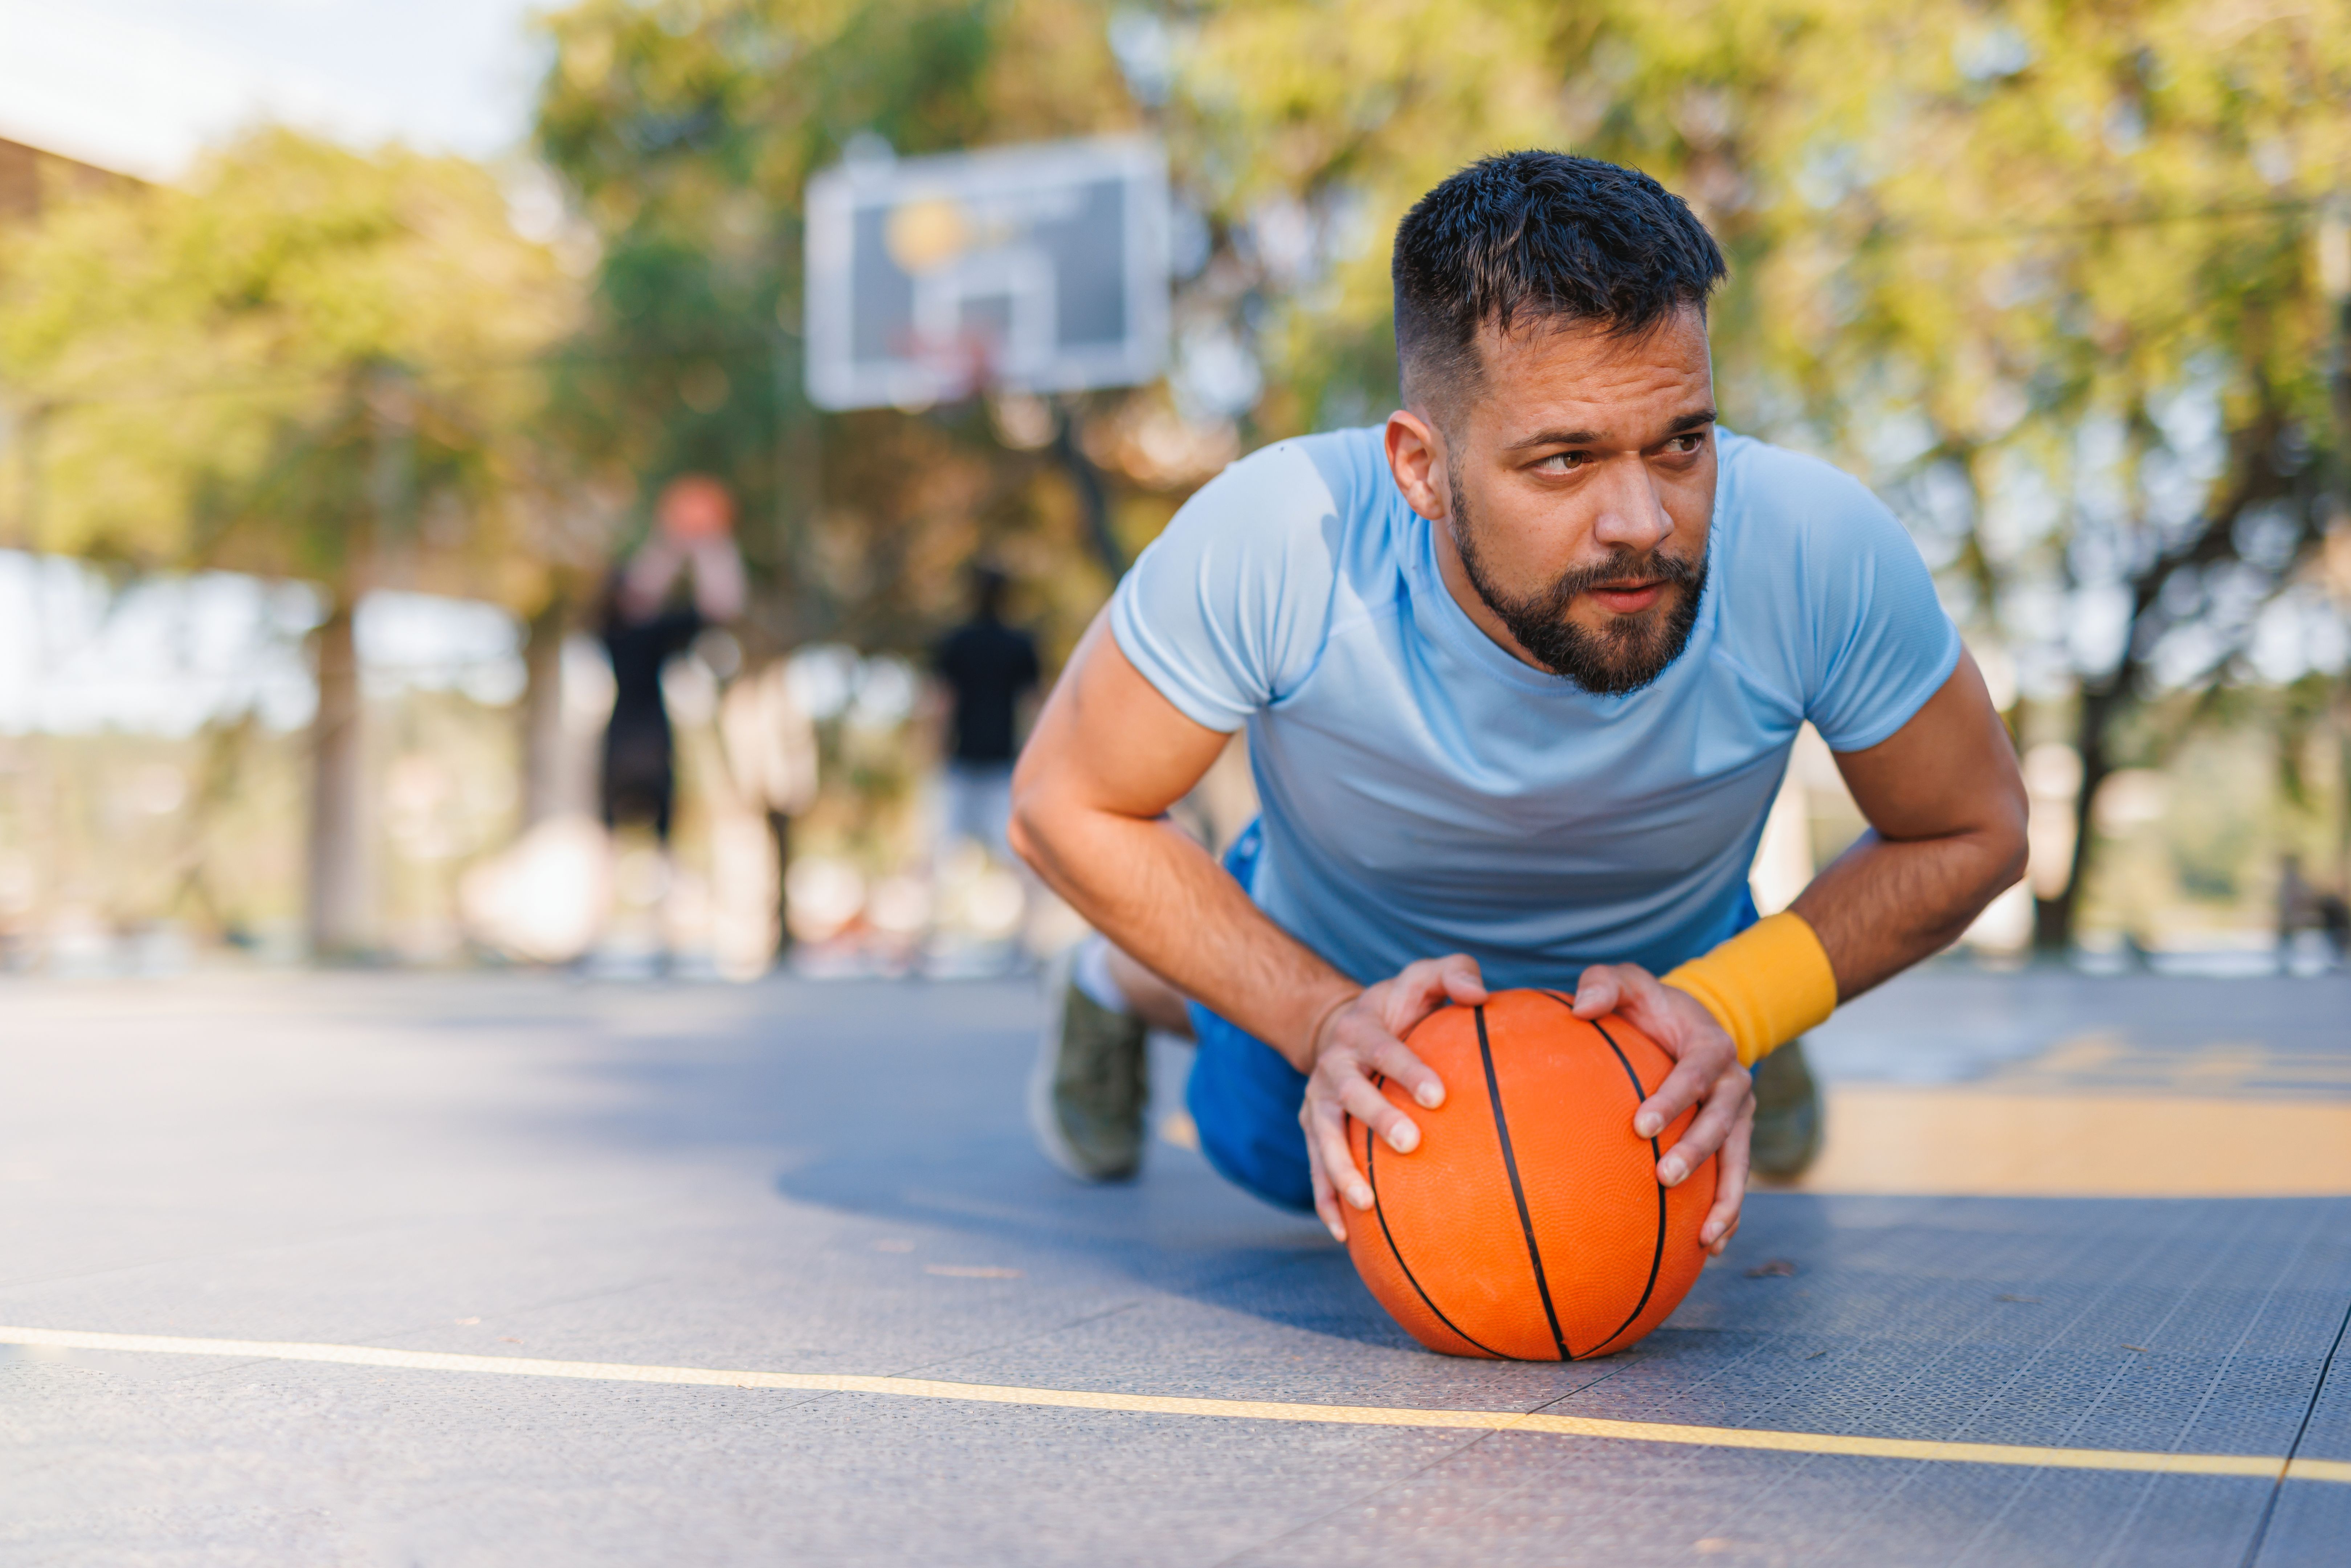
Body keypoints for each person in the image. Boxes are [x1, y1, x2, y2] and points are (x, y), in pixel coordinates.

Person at [1010, 153, 2028, 1253]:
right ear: (1420, 469)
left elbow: (1972, 827)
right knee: (1281, 1167)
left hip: (1672, 960)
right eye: (1563, 461)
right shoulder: (1282, 536)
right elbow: (1065, 804)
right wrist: (1317, 1015)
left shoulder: (1812, 545)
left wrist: (1737, 1005)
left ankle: (1733, 1022)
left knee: (1667, 1140)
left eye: (1681, 442)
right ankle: (1115, 984)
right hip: (1345, 961)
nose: (1641, 522)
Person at [598, 474, 746, 848]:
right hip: (636, 743)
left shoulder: (642, 633)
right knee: (619, 838)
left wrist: (697, 542)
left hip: (643, 742)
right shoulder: (626, 633)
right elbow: (718, 605)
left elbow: (717, 606)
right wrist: (695, 543)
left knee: (647, 842)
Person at [931, 564, 1041, 877]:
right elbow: (1034, 708)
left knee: (946, 854)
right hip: (1001, 762)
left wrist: (935, 753)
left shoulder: (956, 642)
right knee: (1013, 855)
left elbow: (942, 704)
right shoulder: (1019, 645)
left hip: (965, 761)